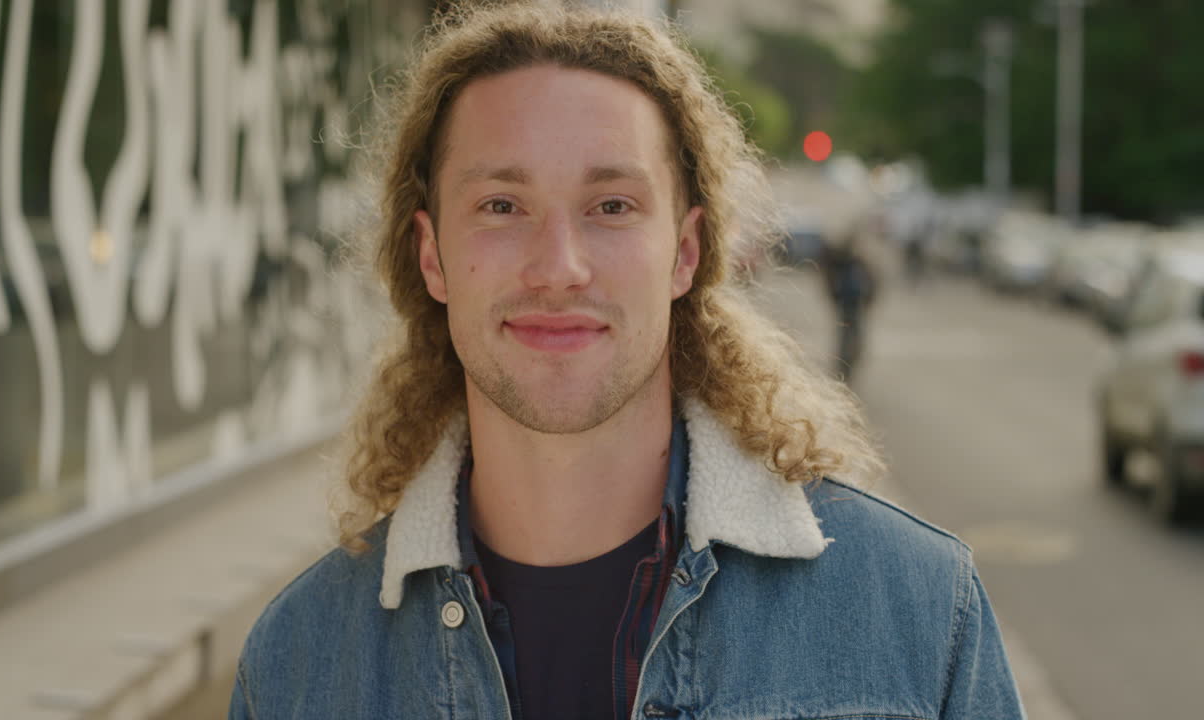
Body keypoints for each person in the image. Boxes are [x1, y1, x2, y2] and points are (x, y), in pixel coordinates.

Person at [230, 3, 1025, 719]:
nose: (559, 266)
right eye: (502, 206)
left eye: (611, 206)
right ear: (431, 257)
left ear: (685, 252)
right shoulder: (295, 665)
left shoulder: (921, 614)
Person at [820, 225, 877, 383]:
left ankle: (847, 366)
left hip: (855, 306)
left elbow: (872, 283)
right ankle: (844, 367)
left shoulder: (858, 263)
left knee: (852, 338)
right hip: (847, 306)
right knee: (847, 338)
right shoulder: (843, 263)